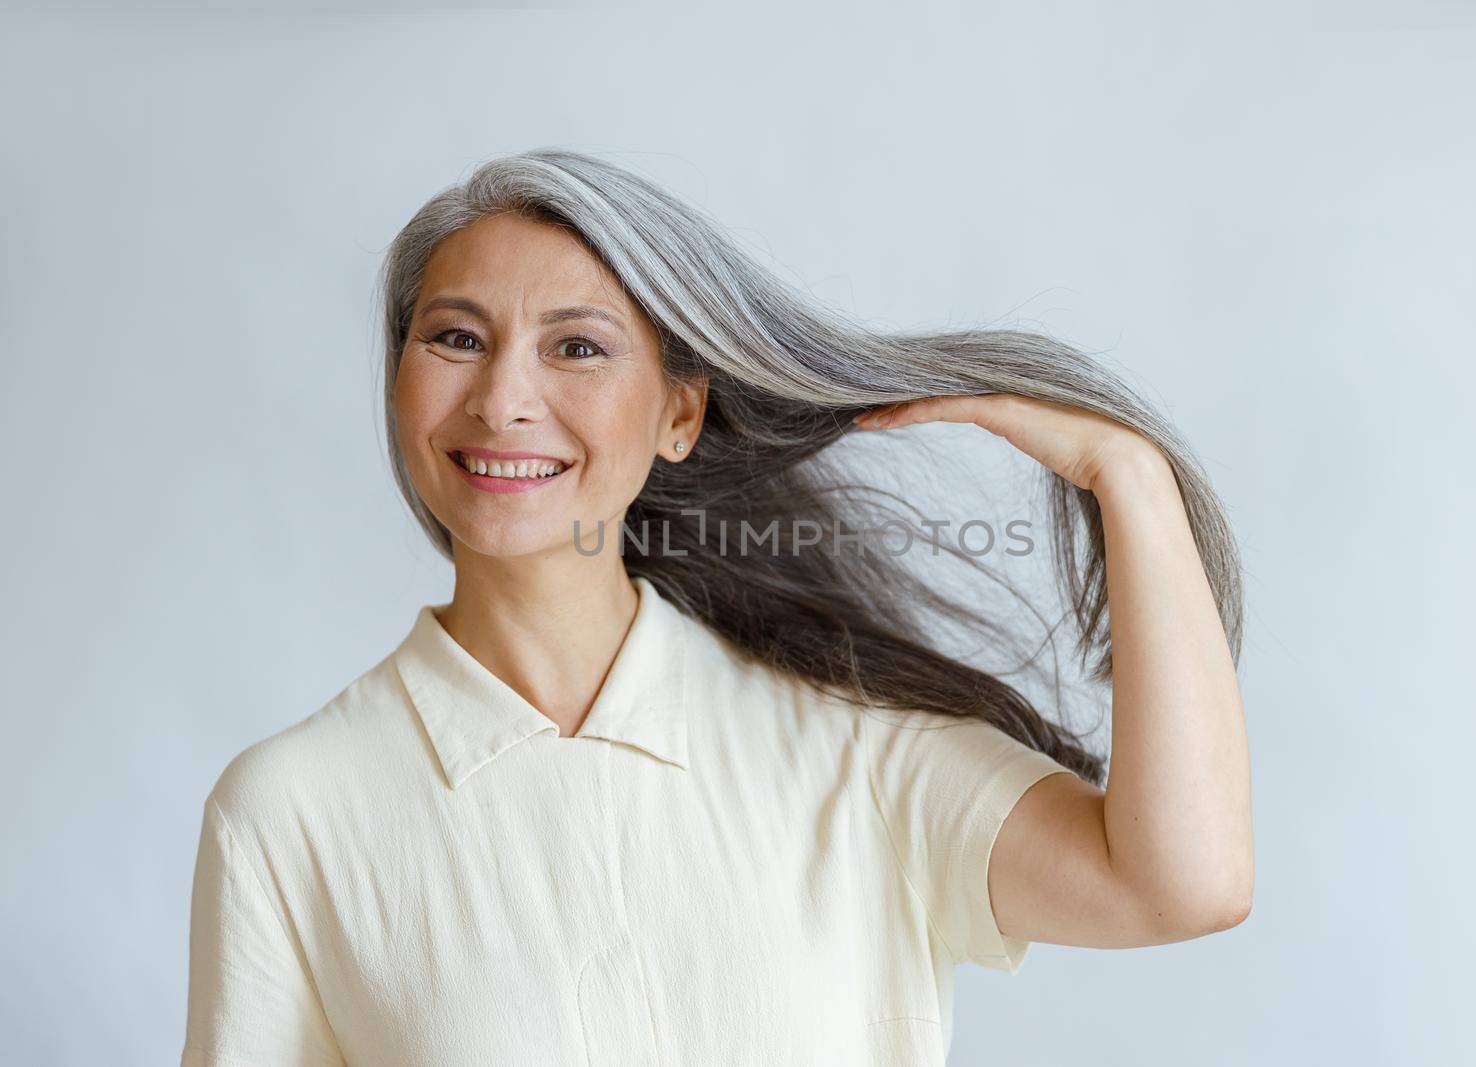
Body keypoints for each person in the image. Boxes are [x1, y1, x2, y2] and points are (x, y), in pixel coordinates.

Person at [181, 149, 1252, 1066]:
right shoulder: (290, 810)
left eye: (577, 345)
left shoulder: (853, 750)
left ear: (680, 414)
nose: (502, 397)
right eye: (456, 337)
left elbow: (1180, 885)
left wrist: (1128, 473)